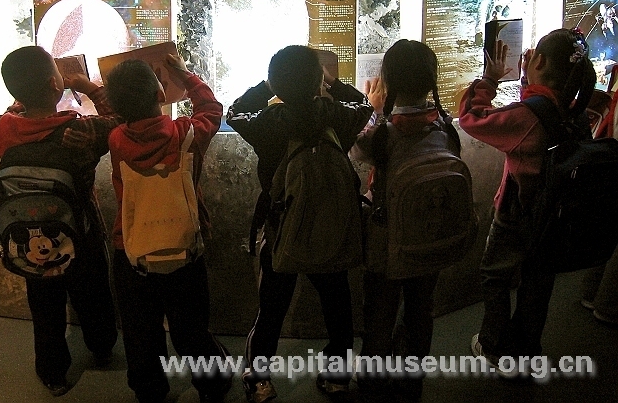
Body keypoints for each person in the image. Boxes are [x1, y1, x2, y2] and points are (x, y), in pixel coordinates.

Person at [226, 45, 372, 403]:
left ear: (276, 83)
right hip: (331, 226)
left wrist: (266, 87)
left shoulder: (269, 122)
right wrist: (333, 84)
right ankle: (337, 377)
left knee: (271, 307)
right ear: (318, 79)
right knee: (337, 304)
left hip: (282, 228)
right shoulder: (337, 115)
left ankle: (259, 379)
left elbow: (234, 113)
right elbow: (365, 105)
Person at [459, 28, 595, 372]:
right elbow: (537, 110)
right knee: (538, 283)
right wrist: (527, 79)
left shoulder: (527, 116)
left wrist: (489, 80)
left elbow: (472, 117)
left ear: (540, 60)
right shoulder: (575, 109)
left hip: (517, 214)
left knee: (494, 275)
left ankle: (493, 345)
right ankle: (526, 348)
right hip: (555, 216)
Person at [105, 55, 231, 403]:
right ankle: (212, 386)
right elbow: (212, 108)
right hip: (184, 250)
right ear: (160, 94)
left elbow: (116, 114)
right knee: (191, 328)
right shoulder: (186, 133)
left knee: (140, 333)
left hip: (132, 252)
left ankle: (149, 392)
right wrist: (185, 75)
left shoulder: (116, 140)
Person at [0, 46, 119, 396]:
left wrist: (30, 87)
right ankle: (102, 347)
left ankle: (53, 373)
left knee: (44, 307)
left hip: (28, 240)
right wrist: (86, 86)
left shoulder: (3, 127)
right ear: (55, 83)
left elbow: (17, 106)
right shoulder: (78, 130)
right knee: (92, 295)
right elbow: (121, 120)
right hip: (81, 233)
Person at [351, 40, 451, 402]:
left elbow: (356, 149)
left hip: (388, 240)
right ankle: (411, 382)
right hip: (429, 235)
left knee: (379, 314)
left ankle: (372, 384)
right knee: (420, 311)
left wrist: (374, 110)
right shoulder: (445, 127)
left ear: (387, 80)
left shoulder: (385, 133)